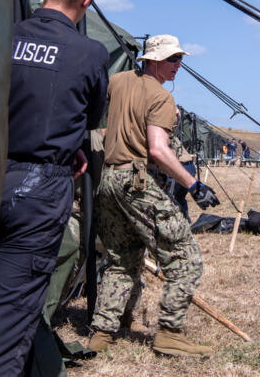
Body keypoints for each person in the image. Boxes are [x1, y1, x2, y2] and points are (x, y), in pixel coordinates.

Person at [0, 0, 109, 376]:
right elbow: (89, 118)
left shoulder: (2, 36)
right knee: (11, 316)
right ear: (88, 2)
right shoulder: (92, 54)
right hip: (41, 188)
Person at [88, 34, 220, 358]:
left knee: (121, 259)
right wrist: (194, 186)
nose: (179, 66)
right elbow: (158, 150)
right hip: (135, 176)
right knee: (186, 257)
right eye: (174, 60)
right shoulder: (161, 97)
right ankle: (170, 334)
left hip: (107, 179)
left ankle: (102, 333)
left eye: (180, 60)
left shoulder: (117, 81)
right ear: (155, 60)